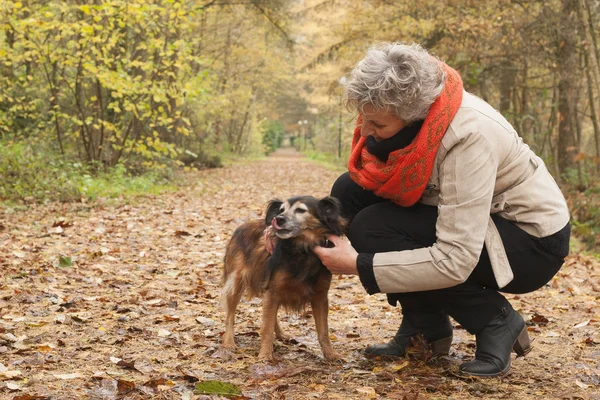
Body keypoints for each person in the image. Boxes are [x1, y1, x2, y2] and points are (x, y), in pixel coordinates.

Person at [311, 42, 571, 378]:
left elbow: (455, 257)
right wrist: (292, 235)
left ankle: (495, 321)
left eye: (377, 124)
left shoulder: (468, 136)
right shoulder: (416, 123)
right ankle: (426, 325)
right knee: (348, 192)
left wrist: (359, 264)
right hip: (483, 221)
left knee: (373, 228)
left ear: (412, 115)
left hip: (530, 240)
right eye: (363, 118)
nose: (364, 131)